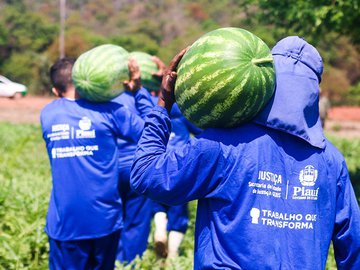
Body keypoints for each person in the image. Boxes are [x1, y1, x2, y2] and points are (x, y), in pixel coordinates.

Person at [130, 36, 360, 269]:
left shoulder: (222, 145)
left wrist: (163, 104)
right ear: (313, 91)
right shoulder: (331, 162)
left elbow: (145, 174)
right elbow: (353, 249)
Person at [40, 57, 152, 270]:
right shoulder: (110, 112)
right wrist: (138, 91)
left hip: (65, 224)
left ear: (55, 91)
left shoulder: (49, 114)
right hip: (104, 222)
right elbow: (153, 134)